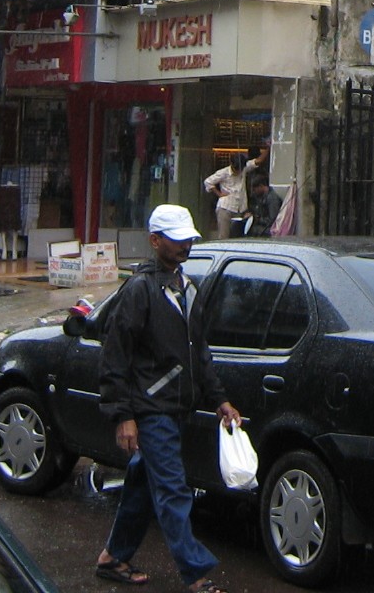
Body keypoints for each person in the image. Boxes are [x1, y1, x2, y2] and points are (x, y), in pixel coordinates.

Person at [95, 204, 238, 592]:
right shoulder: (139, 290)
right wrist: (123, 416)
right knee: (173, 490)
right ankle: (197, 574)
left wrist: (219, 399)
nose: (185, 245)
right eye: (177, 240)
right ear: (155, 241)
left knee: (142, 486)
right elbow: (115, 356)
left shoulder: (187, 288)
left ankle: (113, 557)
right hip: (152, 410)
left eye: (188, 239)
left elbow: (199, 352)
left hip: (176, 408)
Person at [202, 149, 253, 241]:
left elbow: (256, 162)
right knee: (224, 236)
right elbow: (208, 182)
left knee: (237, 235)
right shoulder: (224, 172)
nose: (238, 171)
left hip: (240, 209)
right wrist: (219, 193)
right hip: (225, 207)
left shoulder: (244, 169)